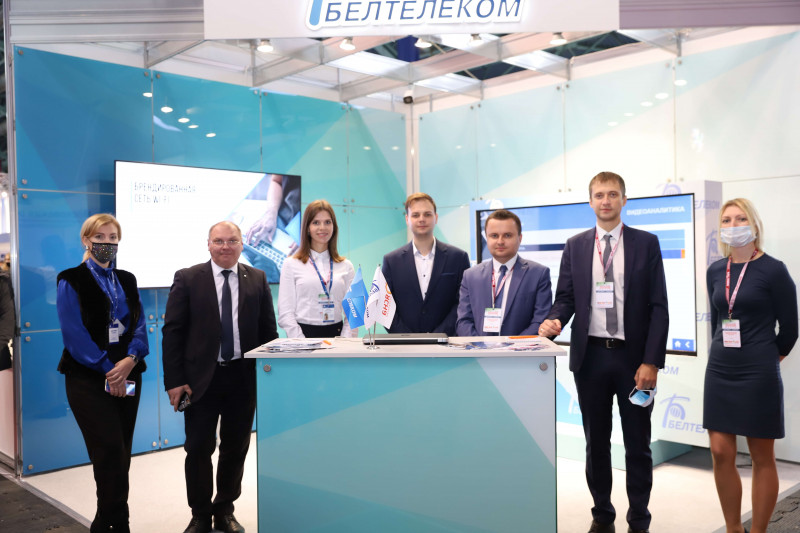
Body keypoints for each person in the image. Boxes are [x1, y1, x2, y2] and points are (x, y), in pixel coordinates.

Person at [539, 171, 668, 533]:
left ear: (624, 200)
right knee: (596, 443)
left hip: (634, 361)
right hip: (591, 358)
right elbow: (566, 298)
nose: (606, 201)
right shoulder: (576, 245)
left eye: (612, 194)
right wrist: (555, 319)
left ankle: (639, 518)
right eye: (599, 195)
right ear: (590, 201)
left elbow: (659, 307)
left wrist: (651, 361)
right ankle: (602, 515)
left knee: (638, 444)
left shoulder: (646, 243)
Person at [162, 221, 278, 533]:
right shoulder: (187, 278)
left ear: (242, 244)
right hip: (198, 382)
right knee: (198, 448)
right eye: (219, 241)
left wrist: (269, 379)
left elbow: (268, 332)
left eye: (232, 241)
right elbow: (172, 333)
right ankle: (200, 514)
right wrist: (174, 381)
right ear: (208, 244)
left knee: (235, 448)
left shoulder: (258, 278)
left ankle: (224, 511)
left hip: (243, 378)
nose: (225, 246)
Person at [703, 198, 797, 533]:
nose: (733, 225)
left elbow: (790, 328)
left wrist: (767, 357)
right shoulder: (716, 270)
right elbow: (717, 320)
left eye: (741, 219)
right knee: (720, 452)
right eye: (727, 220)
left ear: (754, 225)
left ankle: (757, 530)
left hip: (758, 371)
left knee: (761, 456)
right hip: (720, 369)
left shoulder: (774, 269)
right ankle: (733, 528)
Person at [55, 213, 149, 533]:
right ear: (86, 240)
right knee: (107, 449)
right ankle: (111, 521)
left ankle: (113, 520)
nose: (107, 243)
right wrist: (110, 370)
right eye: (100, 237)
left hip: (129, 372)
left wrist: (131, 358)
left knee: (122, 451)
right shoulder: (71, 279)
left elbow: (139, 324)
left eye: (112, 238)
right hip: (88, 378)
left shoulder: (127, 279)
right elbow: (74, 334)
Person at [382, 193, 470, 335]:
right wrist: (407, 338)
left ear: (436, 218)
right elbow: (384, 305)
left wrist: (439, 335)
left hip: (446, 341)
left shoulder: (458, 258)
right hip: (403, 343)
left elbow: (463, 303)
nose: (421, 219)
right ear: (407, 219)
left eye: (427, 214)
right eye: (415, 215)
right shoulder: (391, 261)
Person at [456, 209, 551, 336]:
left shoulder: (538, 274)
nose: (500, 241)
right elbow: (463, 321)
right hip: (478, 348)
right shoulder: (470, 276)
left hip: (522, 348)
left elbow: (540, 321)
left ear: (520, 238)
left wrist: (513, 345)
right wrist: (479, 345)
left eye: (507, 235)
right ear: (487, 238)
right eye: (494, 236)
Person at [278, 199, 357, 338]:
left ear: (334, 227)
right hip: (303, 338)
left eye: (327, 222)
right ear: (307, 228)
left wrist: (344, 343)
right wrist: (302, 343)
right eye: (316, 222)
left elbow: (354, 312)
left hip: (338, 338)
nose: (322, 227)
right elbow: (286, 314)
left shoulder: (346, 266)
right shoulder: (291, 264)